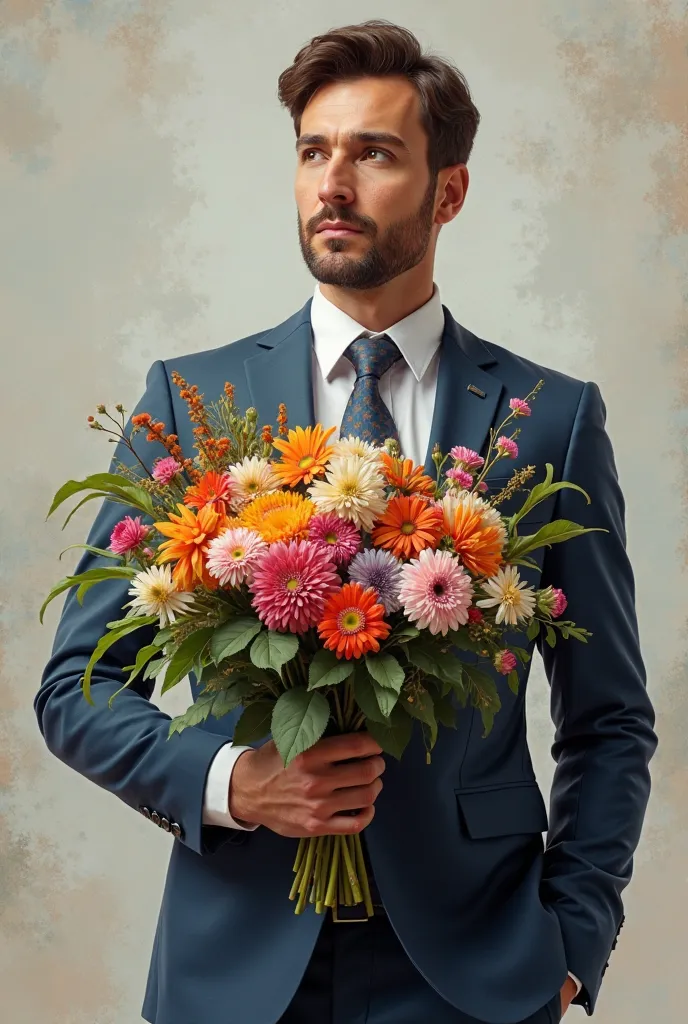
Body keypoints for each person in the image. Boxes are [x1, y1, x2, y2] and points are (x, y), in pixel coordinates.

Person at [35, 19, 657, 1024]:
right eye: (314, 151)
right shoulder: (190, 404)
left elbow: (608, 717)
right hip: (231, 964)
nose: (333, 182)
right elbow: (76, 689)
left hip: (477, 969)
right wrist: (235, 782)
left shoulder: (552, 417)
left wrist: (573, 940)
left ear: (448, 190)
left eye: (374, 153)